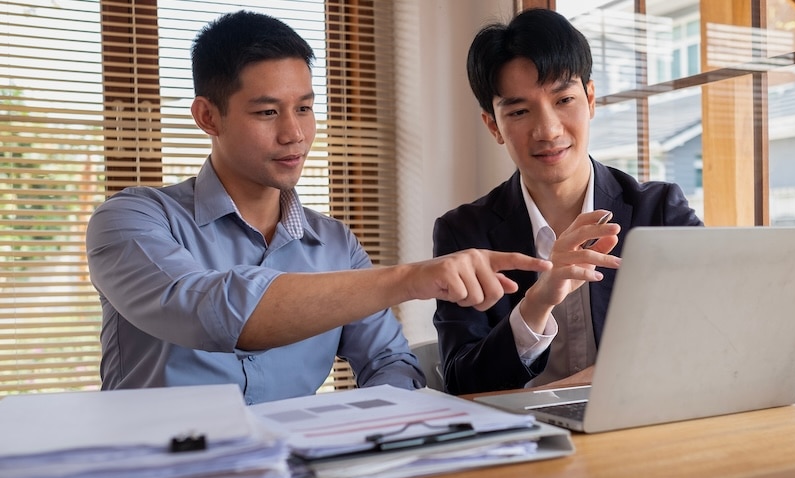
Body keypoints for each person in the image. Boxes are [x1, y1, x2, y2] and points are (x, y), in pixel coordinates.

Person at [85, 10, 550, 404]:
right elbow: (210, 312)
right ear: (208, 116)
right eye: (268, 112)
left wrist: (365, 433)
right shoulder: (131, 221)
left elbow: (391, 363)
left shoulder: (335, 245)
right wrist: (411, 278)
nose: (295, 134)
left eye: (304, 108)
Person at [433, 8, 702, 395]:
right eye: (520, 111)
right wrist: (536, 303)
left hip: (639, 430)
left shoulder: (659, 211)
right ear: (493, 125)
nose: (548, 130)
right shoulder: (464, 233)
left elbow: (708, 340)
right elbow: (462, 381)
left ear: (590, 99)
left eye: (564, 100)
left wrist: (575, 388)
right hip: (526, 442)